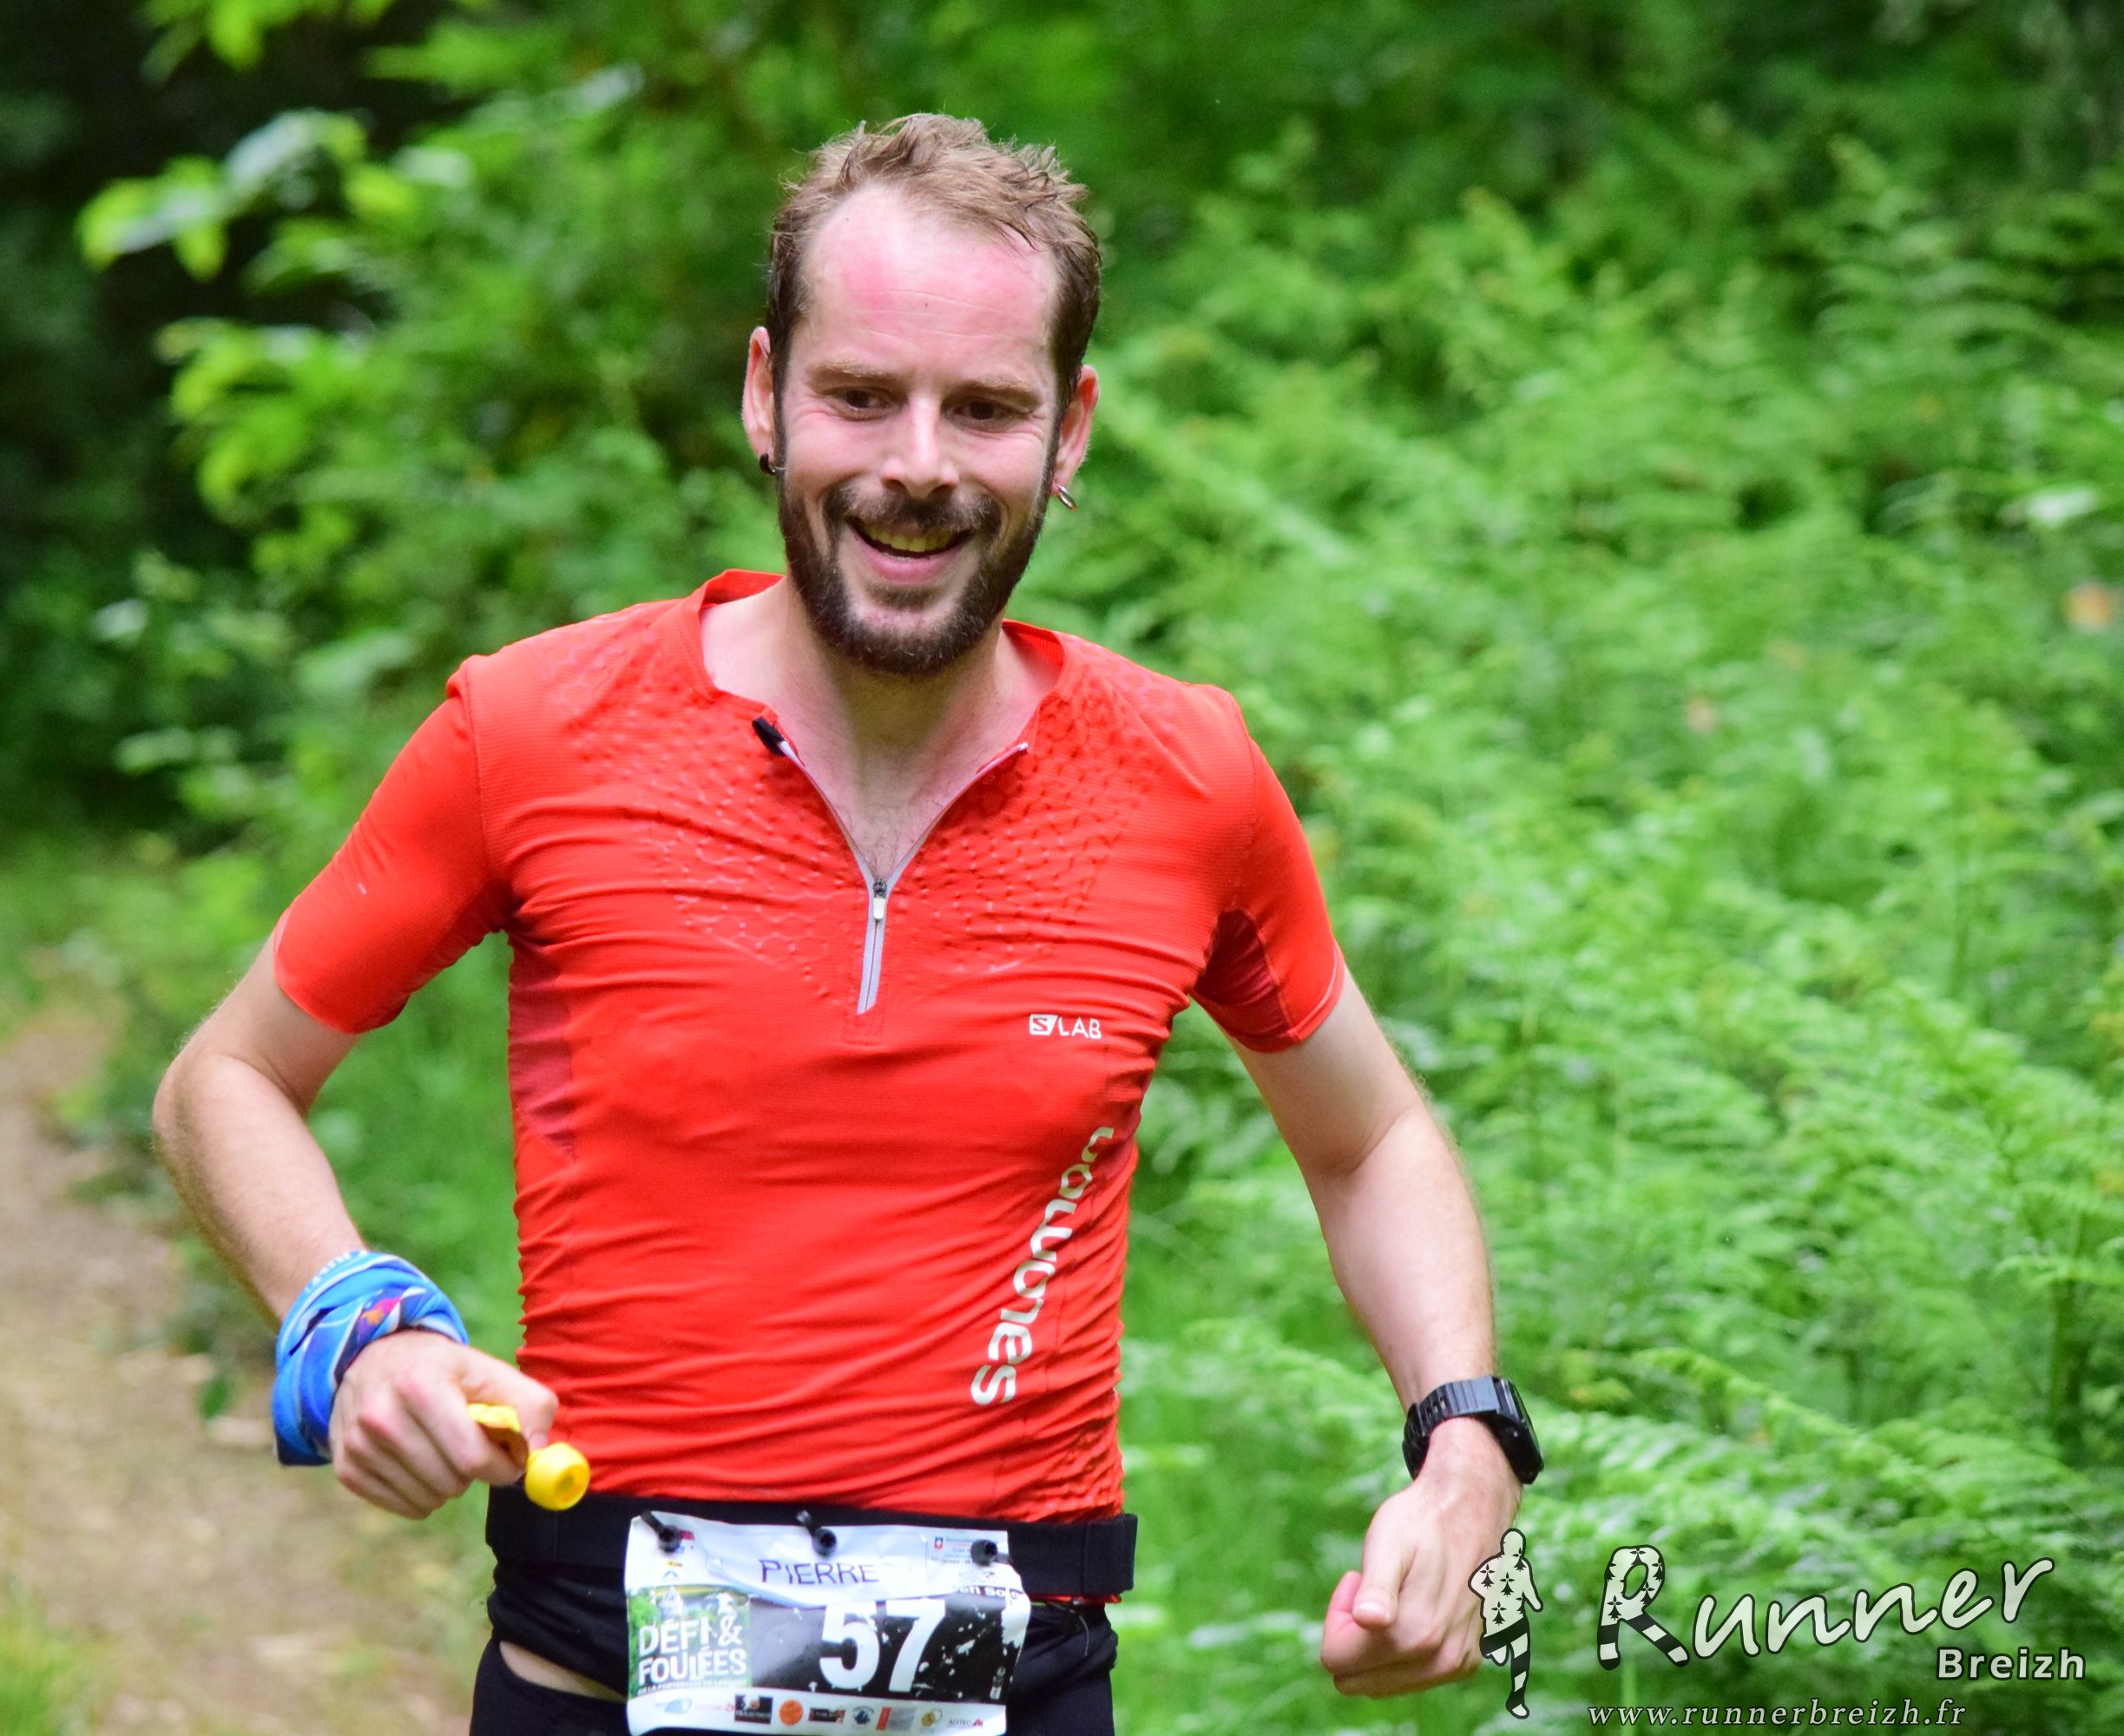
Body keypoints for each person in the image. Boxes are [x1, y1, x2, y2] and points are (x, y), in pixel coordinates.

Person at [152, 112, 1537, 1734]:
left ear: (1071, 431)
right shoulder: (535, 732)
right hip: (593, 1684)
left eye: (987, 408)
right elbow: (225, 1080)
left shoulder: (1186, 777)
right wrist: (359, 1323)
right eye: (861, 395)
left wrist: (1465, 1453)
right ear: (766, 395)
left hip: (1025, 1693)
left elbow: (1370, 1143)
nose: (920, 465)